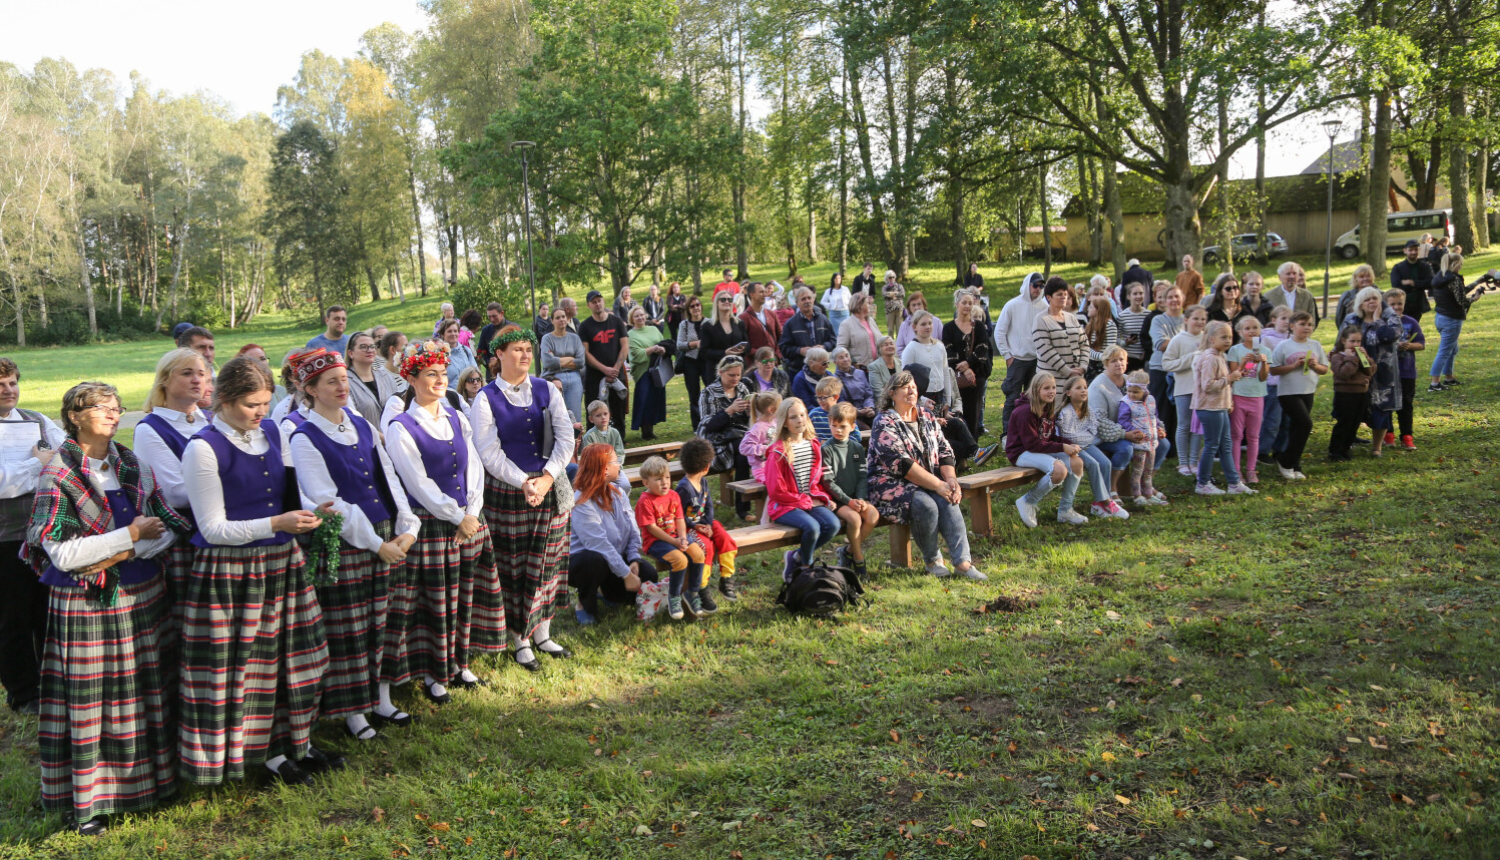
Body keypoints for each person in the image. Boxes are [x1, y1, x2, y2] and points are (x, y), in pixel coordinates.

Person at [30, 381, 188, 836]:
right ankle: (90, 804)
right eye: (100, 407)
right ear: (75, 416)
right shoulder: (58, 474)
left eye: (117, 407)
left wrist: (126, 551)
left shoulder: (130, 463)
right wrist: (130, 538)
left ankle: (151, 784)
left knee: (145, 692)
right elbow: (61, 554)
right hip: (88, 604)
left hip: (142, 594)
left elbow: (167, 527)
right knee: (93, 705)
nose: (113, 414)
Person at [178, 356, 337, 789]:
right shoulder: (202, 447)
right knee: (249, 671)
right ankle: (262, 756)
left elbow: (283, 494)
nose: (262, 412)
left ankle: (296, 742)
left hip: (282, 562)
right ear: (224, 399)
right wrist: (276, 524)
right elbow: (212, 527)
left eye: (266, 402)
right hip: (233, 571)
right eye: (252, 404)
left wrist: (306, 512)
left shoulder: (270, 431)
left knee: (299, 659)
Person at [287, 349, 419, 737]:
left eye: (344, 379)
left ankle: (381, 696)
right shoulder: (304, 437)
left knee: (386, 620)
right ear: (309, 389)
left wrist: (407, 527)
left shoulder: (360, 423)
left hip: (384, 530)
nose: (343, 386)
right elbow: (330, 503)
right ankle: (353, 712)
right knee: (353, 629)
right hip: (348, 543)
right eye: (331, 381)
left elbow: (388, 478)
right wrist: (375, 545)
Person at [384, 339, 502, 701]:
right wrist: (455, 516)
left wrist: (472, 511)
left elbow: (476, 466)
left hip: (468, 518)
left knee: (465, 594)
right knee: (437, 602)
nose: (439, 380)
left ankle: (461, 663)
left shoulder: (456, 415)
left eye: (441, 373)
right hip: (433, 523)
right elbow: (417, 483)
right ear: (412, 379)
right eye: (430, 374)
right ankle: (436, 675)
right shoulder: (401, 426)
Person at [471, 327, 576, 671]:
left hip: (550, 487)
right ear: (498, 355)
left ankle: (543, 631)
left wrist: (546, 478)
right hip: (508, 492)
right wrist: (523, 482)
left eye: (528, 349)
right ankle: (520, 638)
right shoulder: (486, 398)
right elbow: (489, 452)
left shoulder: (547, 389)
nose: (526, 355)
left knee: (549, 561)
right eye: (517, 349)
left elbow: (565, 436)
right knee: (514, 567)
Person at [867, 371, 986, 579]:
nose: (911, 390)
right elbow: (902, 465)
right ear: (892, 394)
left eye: (913, 386)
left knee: (949, 498)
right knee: (926, 504)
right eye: (905, 387)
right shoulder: (884, 422)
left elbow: (944, 450)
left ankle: (963, 563)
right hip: (889, 485)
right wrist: (938, 485)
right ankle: (933, 560)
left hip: (925, 480)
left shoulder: (927, 416)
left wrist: (950, 480)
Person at [0, 360, 67, 716]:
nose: (9, 389)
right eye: (1, 384)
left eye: (12, 382)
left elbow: (68, 456)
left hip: (45, 533)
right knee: (13, 618)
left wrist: (44, 465)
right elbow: (2, 485)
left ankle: (52, 685)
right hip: (5, 539)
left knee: (47, 612)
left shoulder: (37, 420)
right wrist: (38, 465)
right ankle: (23, 693)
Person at [133, 349, 210, 638]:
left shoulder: (211, 421)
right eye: (187, 373)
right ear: (165, 380)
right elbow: (175, 493)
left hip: (222, 533)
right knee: (193, 626)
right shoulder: (150, 428)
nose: (197, 380)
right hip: (186, 539)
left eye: (201, 373)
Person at [568, 444, 649, 625]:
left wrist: (634, 558)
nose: (619, 465)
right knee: (593, 561)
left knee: (648, 574)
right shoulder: (582, 502)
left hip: (613, 557)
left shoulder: (618, 492)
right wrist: (626, 574)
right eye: (616, 461)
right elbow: (598, 545)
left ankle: (606, 592)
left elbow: (633, 528)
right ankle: (585, 604)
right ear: (604, 469)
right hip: (584, 562)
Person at [763, 398, 842, 582]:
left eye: (802, 415)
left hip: (809, 500)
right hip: (784, 505)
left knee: (833, 525)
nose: (799, 420)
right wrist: (806, 502)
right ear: (784, 422)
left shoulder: (813, 444)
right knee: (812, 527)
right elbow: (776, 491)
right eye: (793, 417)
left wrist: (823, 498)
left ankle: (796, 556)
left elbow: (816, 480)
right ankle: (806, 566)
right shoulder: (778, 451)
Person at [1088, 346, 1165, 502]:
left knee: (1163, 445)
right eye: (1113, 361)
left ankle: (1145, 484)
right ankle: (1112, 489)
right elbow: (1099, 422)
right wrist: (1125, 434)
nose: (1118, 363)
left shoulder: (1132, 380)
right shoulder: (1098, 386)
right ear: (1105, 363)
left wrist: (1158, 427)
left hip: (1136, 431)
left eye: (1121, 359)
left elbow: (1148, 408)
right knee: (1126, 448)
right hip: (1103, 435)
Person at [1006, 372, 1083, 528]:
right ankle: (1028, 501)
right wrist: (1062, 447)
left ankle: (1065, 510)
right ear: (1036, 390)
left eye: (1054, 388)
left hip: (1038, 449)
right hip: (1021, 453)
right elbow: (1032, 444)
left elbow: (1049, 437)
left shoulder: (1047, 408)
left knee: (1077, 463)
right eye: (1046, 388)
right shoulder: (1024, 412)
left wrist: (1069, 444)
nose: (1052, 391)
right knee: (1059, 470)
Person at [636, 456, 708, 620]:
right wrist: (675, 542)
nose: (665, 483)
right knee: (680, 560)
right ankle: (674, 596)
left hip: (676, 536)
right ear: (646, 483)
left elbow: (680, 519)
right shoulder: (645, 501)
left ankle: (692, 593)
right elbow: (651, 528)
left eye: (667, 477)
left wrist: (682, 537)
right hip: (656, 541)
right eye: (658, 479)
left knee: (698, 554)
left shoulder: (674, 495)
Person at [1192, 321, 1253, 494]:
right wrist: (1230, 379)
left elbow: (1223, 381)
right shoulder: (1210, 358)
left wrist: (1230, 398)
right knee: (1212, 446)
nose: (1228, 340)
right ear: (1211, 339)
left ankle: (1234, 483)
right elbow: (1208, 385)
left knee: (1226, 445)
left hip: (1220, 407)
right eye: (1223, 337)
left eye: (1230, 337)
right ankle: (1202, 484)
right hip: (1209, 408)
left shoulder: (1220, 356)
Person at [675, 437, 738, 604]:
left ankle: (726, 578)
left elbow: (709, 506)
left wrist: (709, 525)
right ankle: (701, 589)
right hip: (689, 529)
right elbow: (678, 516)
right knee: (707, 548)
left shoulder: (703, 482)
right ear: (707, 466)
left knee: (726, 540)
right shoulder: (683, 489)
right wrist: (696, 526)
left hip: (705, 524)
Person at [1056, 375, 1126, 521]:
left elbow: (1093, 429)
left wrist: (1082, 437)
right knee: (1093, 464)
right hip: (1073, 448)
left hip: (1087, 445)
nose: (1083, 391)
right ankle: (1105, 500)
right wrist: (1082, 437)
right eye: (1078, 388)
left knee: (1105, 463)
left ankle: (1101, 503)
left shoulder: (1088, 410)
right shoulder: (1065, 412)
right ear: (1068, 392)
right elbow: (1068, 434)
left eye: (1085, 388)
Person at [820, 402, 878, 579]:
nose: (837, 430)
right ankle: (859, 559)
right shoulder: (826, 449)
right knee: (853, 518)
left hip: (855, 497)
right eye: (833, 426)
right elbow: (828, 482)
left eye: (842, 426)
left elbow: (862, 476)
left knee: (873, 515)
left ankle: (847, 551)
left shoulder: (857, 448)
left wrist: (860, 498)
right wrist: (848, 501)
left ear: (853, 427)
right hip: (836, 500)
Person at [1343, 285, 1403, 457]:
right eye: (1367, 299)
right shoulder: (1352, 320)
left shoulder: (1390, 317)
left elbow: (1390, 336)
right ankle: (1347, 443)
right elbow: (1341, 341)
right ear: (1360, 304)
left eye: (1375, 298)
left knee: (1381, 409)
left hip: (1383, 373)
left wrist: (1377, 321)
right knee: (1354, 408)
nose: (1371, 302)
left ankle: (1377, 447)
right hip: (1357, 372)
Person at [1269, 311, 1328, 480]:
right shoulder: (1284, 346)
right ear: (1292, 326)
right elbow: (1274, 369)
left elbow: (1324, 369)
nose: (1307, 328)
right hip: (1288, 392)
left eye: (1309, 324)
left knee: (1297, 428)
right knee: (1305, 424)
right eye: (1302, 324)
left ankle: (1294, 463)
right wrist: (1294, 365)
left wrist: (1315, 366)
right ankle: (1286, 461)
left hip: (1307, 391)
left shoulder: (1315, 345)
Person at [697, 357, 755, 519]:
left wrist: (750, 413)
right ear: (721, 372)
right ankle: (742, 509)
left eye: (738, 375)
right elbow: (708, 425)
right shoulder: (708, 392)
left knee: (752, 450)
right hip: (715, 439)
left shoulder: (742, 388)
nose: (736, 379)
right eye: (732, 375)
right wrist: (729, 410)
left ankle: (753, 502)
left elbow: (746, 422)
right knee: (744, 453)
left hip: (739, 435)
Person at [996, 273, 1047, 429]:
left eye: (1041, 286)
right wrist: (1007, 355)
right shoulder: (1012, 305)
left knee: (1034, 398)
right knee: (1012, 398)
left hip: (1036, 360)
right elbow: (999, 331)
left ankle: (1029, 430)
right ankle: (1008, 432)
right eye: (1035, 285)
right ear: (1027, 285)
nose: (1038, 289)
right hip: (1017, 360)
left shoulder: (1044, 307)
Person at [1164, 305, 1209, 474]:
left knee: (1198, 427)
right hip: (1183, 389)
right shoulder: (1178, 339)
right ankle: (1183, 462)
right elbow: (1167, 363)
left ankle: (1194, 461)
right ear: (1186, 320)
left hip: (1203, 390)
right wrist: (1190, 358)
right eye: (1196, 318)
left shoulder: (1207, 338)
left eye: (1203, 319)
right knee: (1184, 425)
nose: (1199, 322)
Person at [1226, 317, 1271, 483]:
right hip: (1239, 396)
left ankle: (1251, 470)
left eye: (1255, 328)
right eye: (1247, 328)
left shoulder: (1265, 350)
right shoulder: (1235, 350)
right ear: (1240, 332)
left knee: (1253, 436)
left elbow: (1263, 377)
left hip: (1257, 397)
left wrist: (1264, 364)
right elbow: (1235, 375)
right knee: (1236, 435)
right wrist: (1244, 363)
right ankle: (1236, 470)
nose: (1252, 331)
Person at [944, 291, 994, 441]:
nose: (967, 306)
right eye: (964, 302)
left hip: (975, 377)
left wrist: (969, 364)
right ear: (956, 304)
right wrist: (964, 368)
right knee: (959, 412)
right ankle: (960, 449)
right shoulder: (948, 328)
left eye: (970, 303)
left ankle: (972, 447)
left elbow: (983, 348)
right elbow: (949, 351)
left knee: (974, 412)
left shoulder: (978, 327)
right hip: (956, 378)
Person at [578, 289, 630, 433]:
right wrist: (604, 369)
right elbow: (585, 353)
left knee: (618, 410)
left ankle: (619, 441)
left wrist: (615, 369)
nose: (597, 304)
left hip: (615, 374)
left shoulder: (617, 322)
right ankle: (594, 443)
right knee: (594, 409)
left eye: (599, 301)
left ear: (603, 301)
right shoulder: (585, 326)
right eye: (594, 302)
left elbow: (625, 346)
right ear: (589, 305)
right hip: (595, 376)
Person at [1117, 371, 1169, 506]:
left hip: (1151, 443)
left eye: (1135, 392)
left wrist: (1159, 428)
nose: (1131, 394)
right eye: (1129, 391)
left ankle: (1148, 494)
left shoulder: (1150, 400)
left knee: (1148, 471)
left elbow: (1154, 416)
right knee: (1137, 470)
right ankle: (1137, 495)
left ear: (1144, 390)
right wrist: (1133, 431)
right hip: (1139, 443)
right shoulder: (1126, 403)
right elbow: (1122, 421)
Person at [1327, 325, 1374, 462]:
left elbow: (1370, 372)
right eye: (1352, 341)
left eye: (1358, 341)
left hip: (1361, 393)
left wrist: (1366, 358)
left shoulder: (1359, 355)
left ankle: (1346, 448)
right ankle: (1335, 451)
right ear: (1343, 341)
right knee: (1344, 422)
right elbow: (1344, 374)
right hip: (1345, 394)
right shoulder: (1337, 356)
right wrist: (1351, 359)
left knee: (1355, 422)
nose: (1355, 344)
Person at [1385, 289, 1425, 450]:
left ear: (1404, 303)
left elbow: (1421, 344)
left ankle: (1407, 436)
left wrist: (1409, 345)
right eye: (1392, 304)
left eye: (1399, 303)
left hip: (1406, 370)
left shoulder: (1411, 322)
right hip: (1387, 370)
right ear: (1386, 305)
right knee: (1387, 402)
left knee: (1406, 403)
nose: (1396, 307)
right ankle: (1388, 434)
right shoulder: (1383, 322)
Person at [1428, 250, 1472, 391]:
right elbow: (1462, 301)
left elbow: (1459, 293)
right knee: (1445, 351)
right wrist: (1473, 299)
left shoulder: (1440, 278)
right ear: (1455, 264)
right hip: (1452, 319)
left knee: (1453, 349)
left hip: (1440, 317)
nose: (1461, 267)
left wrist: (1479, 282)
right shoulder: (1454, 279)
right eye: (1460, 264)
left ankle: (1449, 378)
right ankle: (1434, 383)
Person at [626, 306, 672, 441]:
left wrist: (663, 349)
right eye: (636, 316)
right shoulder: (630, 335)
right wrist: (652, 349)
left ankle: (651, 429)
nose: (640, 318)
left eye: (641, 315)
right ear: (631, 319)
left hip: (657, 369)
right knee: (644, 399)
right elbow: (634, 354)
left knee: (655, 399)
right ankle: (644, 430)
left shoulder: (653, 329)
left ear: (645, 316)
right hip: (643, 371)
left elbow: (663, 342)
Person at [1257, 307, 1293, 465]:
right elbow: (1270, 361)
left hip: (1290, 385)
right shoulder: (1267, 338)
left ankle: (1280, 449)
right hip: (1273, 384)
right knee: (1272, 420)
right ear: (1273, 320)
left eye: (1290, 319)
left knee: (1287, 420)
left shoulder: (1293, 338)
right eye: (1283, 318)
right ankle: (1263, 451)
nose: (1287, 322)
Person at [1033, 278, 1088, 381]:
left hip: (1076, 380)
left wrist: (1083, 367)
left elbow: (1084, 343)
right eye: (1059, 294)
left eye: (1065, 294)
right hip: (1052, 381)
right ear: (1049, 297)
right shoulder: (1040, 320)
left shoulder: (1071, 318)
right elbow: (1046, 350)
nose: (1063, 297)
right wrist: (1067, 371)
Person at [541, 307, 587, 424]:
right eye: (557, 317)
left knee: (575, 417)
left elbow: (581, 362)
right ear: (552, 321)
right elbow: (548, 362)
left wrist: (558, 360)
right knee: (556, 416)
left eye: (563, 317)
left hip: (574, 378)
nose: (561, 319)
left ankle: (576, 441)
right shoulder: (547, 339)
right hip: (554, 377)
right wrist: (571, 359)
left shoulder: (575, 338)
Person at [900, 310, 953, 409]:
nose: (928, 327)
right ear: (915, 327)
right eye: (923, 324)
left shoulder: (939, 346)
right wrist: (921, 400)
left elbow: (945, 372)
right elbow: (905, 378)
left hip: (940, 395)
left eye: (930, 323)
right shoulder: (911, 349)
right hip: (922, 397)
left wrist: (948, 400)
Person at [779, 286, 836, 376]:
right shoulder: (791, 323)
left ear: (813, 300)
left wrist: (824, 347)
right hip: (798, 371)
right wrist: (799, 350)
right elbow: (783, 348)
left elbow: (833, 341)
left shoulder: (823, 319)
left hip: (821, 370)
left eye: (809, 298)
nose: (807, 301)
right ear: (797, 303)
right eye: (803, 299)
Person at [344, 331, 396, 426]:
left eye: (372, 346)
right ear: (351, 353)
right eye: (363, 347)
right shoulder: (345, 381)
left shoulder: (386, 376)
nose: (370, 350)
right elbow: (353, 419)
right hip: (368, 438)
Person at [677, 296, 711, 428]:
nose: (696, 308)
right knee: (694, 394)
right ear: (688, 309)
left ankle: (710, 420)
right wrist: (694, 344)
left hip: (707, 362)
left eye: (697, 305)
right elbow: (680, 344)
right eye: (692, 306)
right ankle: (697, 425)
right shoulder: (684, 325)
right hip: (690, 362)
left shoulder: (709, 322)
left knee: (710, 391)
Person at [739, 390, 782, 484]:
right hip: (761, 470)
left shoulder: (774, 422)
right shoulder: (758, 428)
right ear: (771, 410)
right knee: (775, 483)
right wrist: (765, 449)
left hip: (775, 466)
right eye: (780, 407)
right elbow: (743, 448)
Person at [700, 291, 749, 373]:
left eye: (730, 300)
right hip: (717, 370)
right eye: (723, 300)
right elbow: (704, 352)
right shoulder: (707, 326)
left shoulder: (740, 323)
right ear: (716, 304)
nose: (727, 302)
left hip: (738, 369)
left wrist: (743, 348)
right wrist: (724, 353)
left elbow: (748, 344)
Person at [1265, 262, 1319, 327]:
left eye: (1294, 273)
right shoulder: (1269, 296)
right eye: (1288, 274)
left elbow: (1312, 320)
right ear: (1280, 277)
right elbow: (1266, 321)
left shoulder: (1307, 296)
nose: (1292, 276)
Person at [1390, 239, 1433, 321]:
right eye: (1410, 250)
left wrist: (1413, 283)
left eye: (1416, 249)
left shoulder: (1425, 266)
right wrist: (1419, 285)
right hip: (1402, 304)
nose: (1413, 252)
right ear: (1405, 251)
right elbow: (1396, 286)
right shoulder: (1398, 268)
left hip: (1418, 304)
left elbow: (1431, 283)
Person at [831, 347, 876, 424]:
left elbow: (868, 394)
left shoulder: (860, 373)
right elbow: (840, 401)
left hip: (866, 411)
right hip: (849, 415)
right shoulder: (834, 379)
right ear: (835, 362)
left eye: (846, 356)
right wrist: (857, 412)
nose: (845, 359)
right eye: (841, 357)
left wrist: (869, 407)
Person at [836, 292, 882, 369]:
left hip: (877, 368)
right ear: (859, 305)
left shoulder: (871, 321)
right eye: (867, 303)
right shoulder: (846, 324)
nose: (870, 305)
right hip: (860, 370)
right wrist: (852, 362)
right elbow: (841, 348)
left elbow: (880, 340)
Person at [739, 280, 783, 357]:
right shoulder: (743, 318)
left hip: (773, 362)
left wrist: (777, 354)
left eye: (765, 292)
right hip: (755, 363)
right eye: (761, 292)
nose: (765, 295)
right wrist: (761, 355)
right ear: (752, 294)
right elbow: (744, 344)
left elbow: (781, 336)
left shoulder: (772, 314)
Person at [1081, 293, 1119, 379]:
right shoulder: (1090, 324)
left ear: (1098, 310)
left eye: (1090, 307)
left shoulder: (1109, 325)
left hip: (1102, 366)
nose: (1087, 309)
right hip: (1090, 364)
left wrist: (1100, 356)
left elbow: (1110, 349)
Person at [1118, 283, 1151, 372]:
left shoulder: (1148, 315)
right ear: (1129, 296)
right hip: (1129, 358)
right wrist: (1125, 342)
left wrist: (1147, 351)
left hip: (1145, 358)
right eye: (1135, 294)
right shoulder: (1122, 316)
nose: (1138, 296)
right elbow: (1115, 339)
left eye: (1141, 293)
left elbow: (1152, 337)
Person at [1334, 265, 1377, 332]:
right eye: (1362, 277)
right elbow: (1339, 318)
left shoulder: (1380, 295)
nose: (1365, 279)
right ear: (1356, 279)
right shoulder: (1347, 296)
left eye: (1368, 276)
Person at [438, 319, 479, 389]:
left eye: (455, 331)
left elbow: (475, 372)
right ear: (442, 334)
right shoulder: (439, 354)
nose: (453, 334)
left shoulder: (466, 350)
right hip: (450, 395)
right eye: (449, 331)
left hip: (468, 394)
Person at [791, 346, 834, 411]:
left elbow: (838, 396)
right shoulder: (800, 379)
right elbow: (805, 406)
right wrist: (825, 413)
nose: (827, 366)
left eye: (828, 363)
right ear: (811, 363)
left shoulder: (829, 375)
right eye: (824, 363)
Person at [476, 303, 508, 378]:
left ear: (502, 313)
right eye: (489, 317)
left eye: (494, 316)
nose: (492, 319)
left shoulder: (513, 328)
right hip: (492, 374)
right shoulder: (486, 331)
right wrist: (489, 362)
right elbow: (481, 353)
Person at [881, 270, 906, 336]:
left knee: (899, 329)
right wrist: (895, 294)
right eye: (890, 277)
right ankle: (890, 343)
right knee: (890, 329)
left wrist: (891, 295)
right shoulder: (885, 287)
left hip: (899, 309)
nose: (892, 279)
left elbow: (902, 294)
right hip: (889, 310)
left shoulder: (899, 286)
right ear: (886, 278)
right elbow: (884, 295)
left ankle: (899, 344)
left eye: (893, 277)